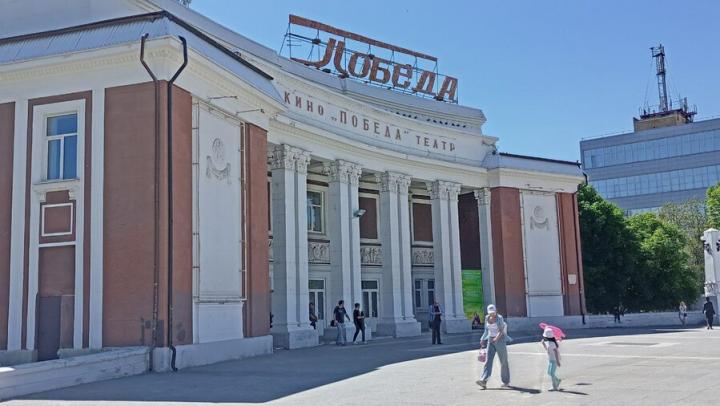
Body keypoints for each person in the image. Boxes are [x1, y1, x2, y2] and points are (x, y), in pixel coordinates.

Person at [477, 304, 512, 389]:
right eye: (490, 312)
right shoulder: (487, 318)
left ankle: (506, 381)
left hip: (500, 340)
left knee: (503, 361)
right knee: (488, 361)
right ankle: (483, 380)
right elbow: (486, 330)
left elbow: (501, 330)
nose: (492, 314)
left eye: (493, 312)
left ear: (496, 311)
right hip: (490, 340)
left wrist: (496, 338)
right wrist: (482, 339)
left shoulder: (500, 318)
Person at [541, 327, 562, 391]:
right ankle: (557, 380)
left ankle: (554, 386)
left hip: (554, 360)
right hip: (551, 360)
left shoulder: (552, 343)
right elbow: (548, 351)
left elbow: (556, 352)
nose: (544, 337)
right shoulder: (549, 342)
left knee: (552, 373)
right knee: (549, 372)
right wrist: (543, 344)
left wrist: (558, 361)